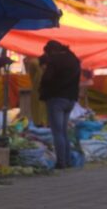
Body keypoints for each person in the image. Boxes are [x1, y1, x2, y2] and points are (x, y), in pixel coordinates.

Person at [39, 40, 81, 170]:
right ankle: (67, 161)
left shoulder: (54, 60)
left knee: (57, 132)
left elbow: (47, 79)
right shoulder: (74, 58)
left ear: (51, 51)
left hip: (56, 98)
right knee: (63, 132)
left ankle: (61, 162)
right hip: (71, 99)